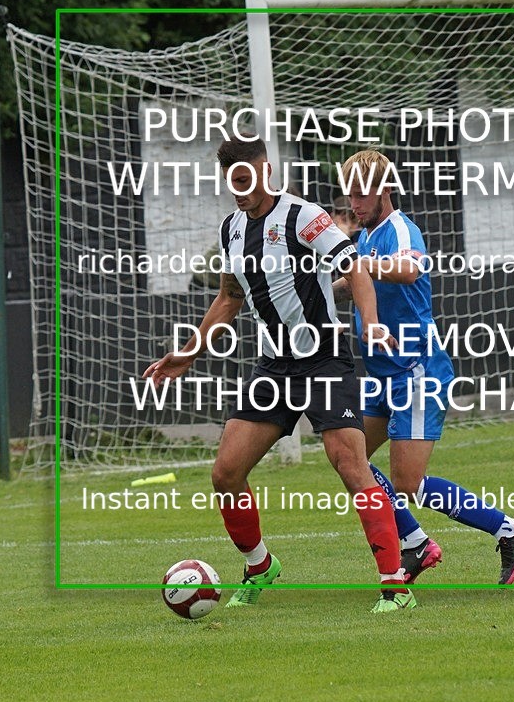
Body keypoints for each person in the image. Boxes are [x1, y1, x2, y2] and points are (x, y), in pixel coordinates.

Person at [145, 135, 414, 613]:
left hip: (324, 357)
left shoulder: (303, 216)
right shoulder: (231, 228)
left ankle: (396, 586)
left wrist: (370, 324)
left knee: (348, 464)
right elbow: (229, 297)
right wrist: (189, 353)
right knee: (226, 473)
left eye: (246, 179)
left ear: (265, 171)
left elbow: (354, 269)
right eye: (232, 182)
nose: (240, 190)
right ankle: (260, 565)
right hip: (274, 364)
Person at [334, 148, 514, 586]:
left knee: (408, 483)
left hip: (417, 371)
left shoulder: (399, 229)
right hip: (382, 374)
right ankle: (417, 545)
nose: (354, 204)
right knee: (352, 461)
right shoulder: (365, 238)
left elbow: (408, 270)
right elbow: (352, 280)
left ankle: (511, 531)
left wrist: (358, 265)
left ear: (385, 189)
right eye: (350, 196)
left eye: (362, 195)